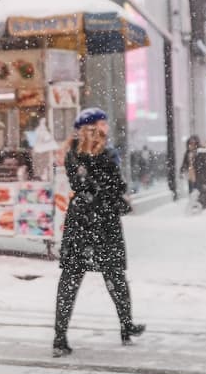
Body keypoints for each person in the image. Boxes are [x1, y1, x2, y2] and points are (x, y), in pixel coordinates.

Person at [52, 108, 144, 357]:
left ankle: (61, 337)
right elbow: (113, 186)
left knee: (75, 279)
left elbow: (84, 185)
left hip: (82, 220)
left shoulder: (74, 153)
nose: (106, 127)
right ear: (91, 127)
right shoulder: (103, 154)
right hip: (100, 221)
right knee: (110, 276)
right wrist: (113, 193)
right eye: (102, 123)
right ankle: (124, 325)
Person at [179, 135, 202, 214]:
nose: (191, 145)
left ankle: (197, 204)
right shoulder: (187, 153)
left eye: (193, 143)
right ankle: (192, 203)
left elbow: (201, 163)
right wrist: (182, 171)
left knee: (197, 188)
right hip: (190, 172)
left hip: (197, 173)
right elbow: (184, 163)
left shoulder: (199, 152)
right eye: (190, 143)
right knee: (191, 188)